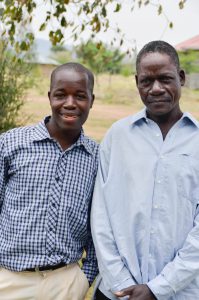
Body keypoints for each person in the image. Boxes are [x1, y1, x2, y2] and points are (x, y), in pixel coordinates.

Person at [91, 40, 199, 300]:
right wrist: (121, 282)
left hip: (180, 291)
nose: (156, 89)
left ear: (181, 78)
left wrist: (157, 288)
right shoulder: (117, 136)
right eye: (146, 81)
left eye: (165, 79)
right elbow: (101, 215)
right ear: (136, 82)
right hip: (117, 291)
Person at [0, 62, 99, 300]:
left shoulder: (98, 158)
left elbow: (100, 225)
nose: (70, 103)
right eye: (61, 95)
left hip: (65, 284)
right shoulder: (11, 144)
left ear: (92, 101)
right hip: (9, 280)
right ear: (49, 97)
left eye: (80, 96)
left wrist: (85, 276)